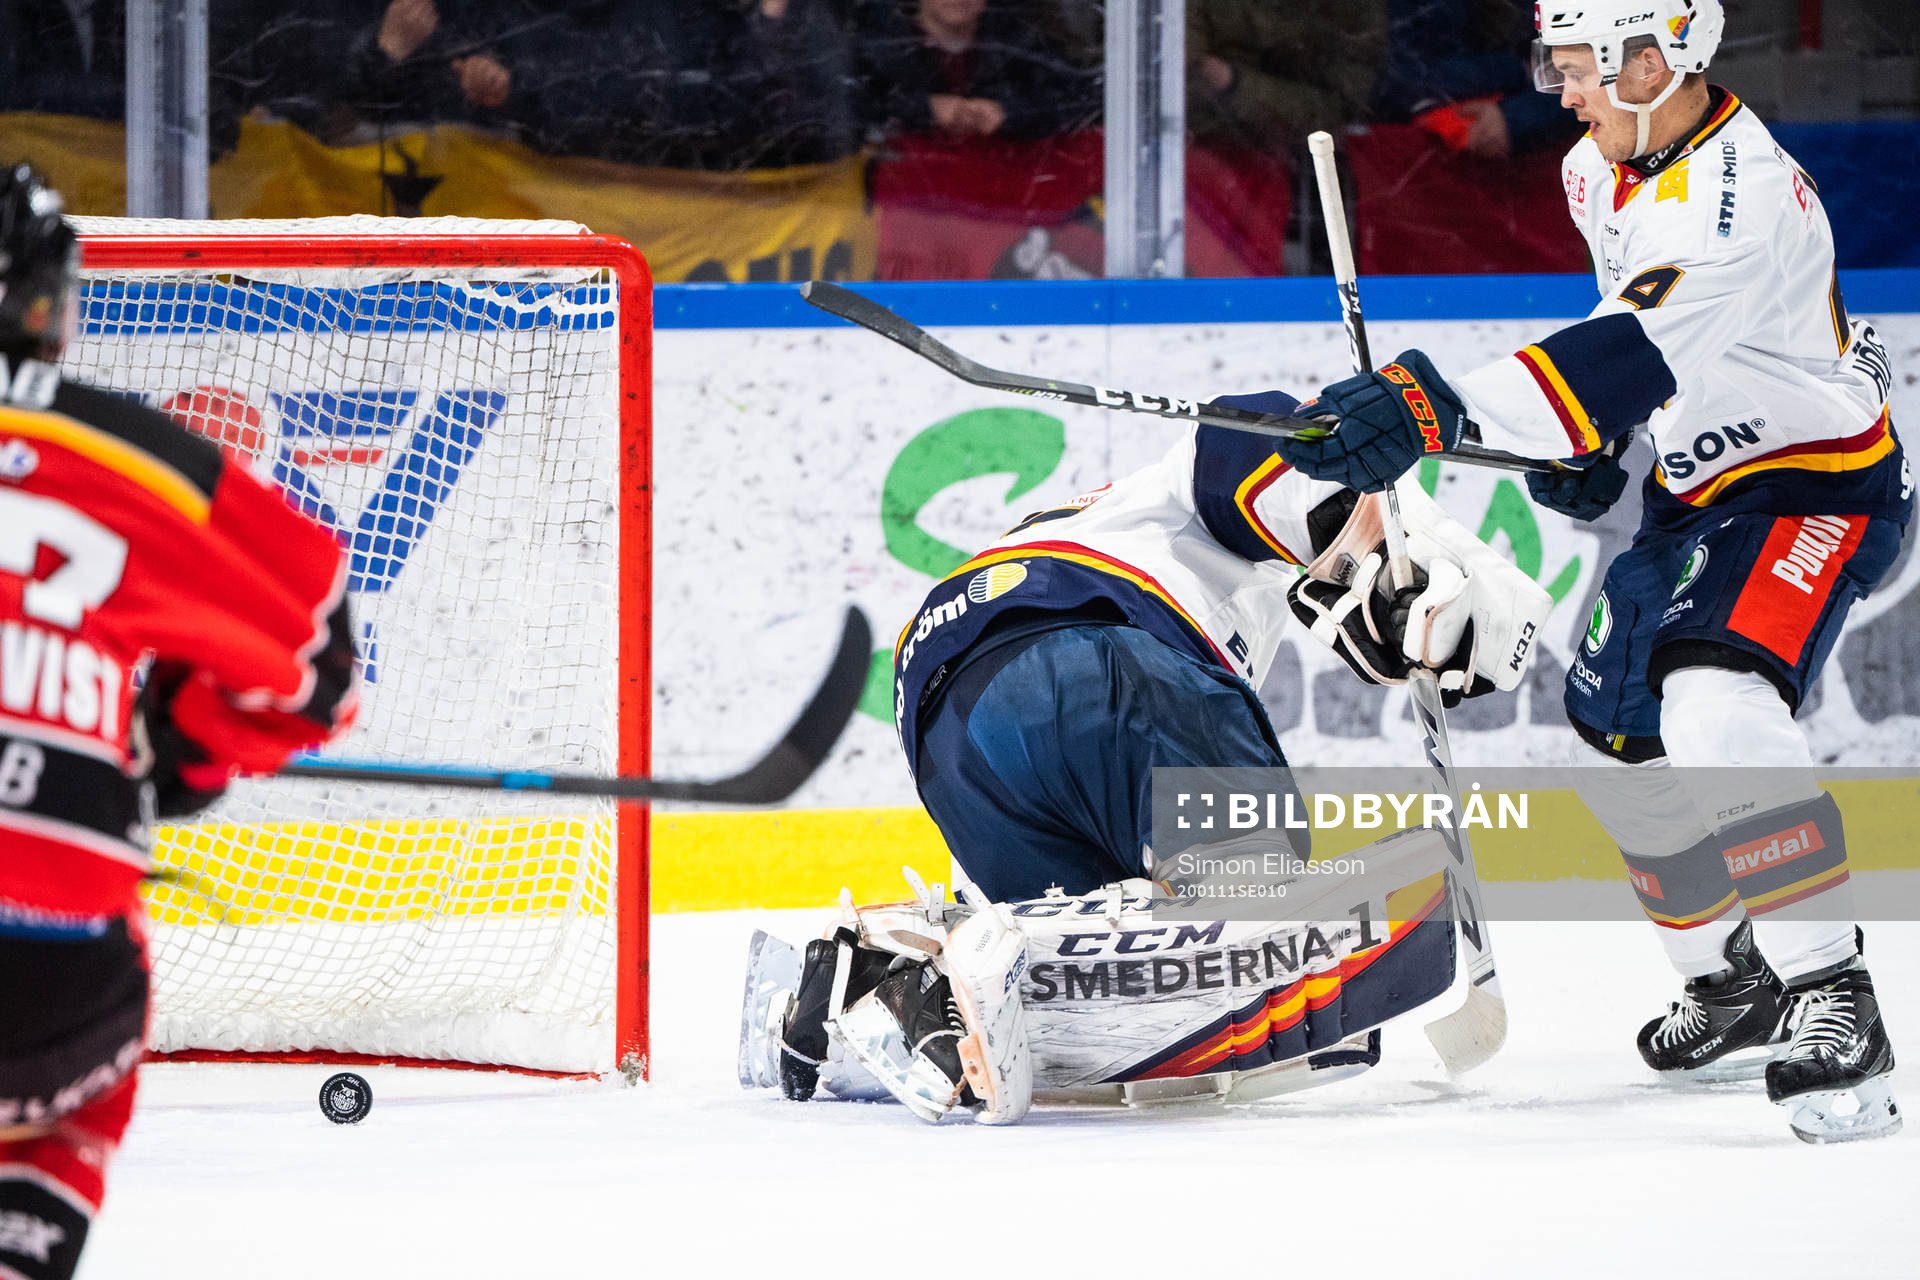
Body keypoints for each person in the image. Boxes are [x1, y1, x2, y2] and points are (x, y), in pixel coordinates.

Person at [1271, 0, 1908, 1143]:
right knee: (1615, 727)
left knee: (1716, 699)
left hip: (1815, 485)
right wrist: (1605, 445)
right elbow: (1639, 340)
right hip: (1699, 488)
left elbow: (1631, 347)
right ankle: (1731, 982)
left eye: (1578, 69)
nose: (1559, 92)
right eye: (1554, 67)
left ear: (1658, 61)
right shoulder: (1592, 169)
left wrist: (1430, 405)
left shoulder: (1739, 202)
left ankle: (1833, 997)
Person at [741, 394, 1552, 1124]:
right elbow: (1262, 451)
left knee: (1098, 984)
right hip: (1093, 662)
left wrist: (1399, 606)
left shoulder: (1143, 537)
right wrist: (1444, 573)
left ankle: (888, 975)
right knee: (1254, 895)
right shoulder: (1219, 493)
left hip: (951, 739)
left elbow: (1347, 594)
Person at [0, 165, 360, 1279]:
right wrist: (179, 740)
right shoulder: (127, 457)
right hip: (49, 984)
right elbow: (316, 665)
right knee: (62, 1099)